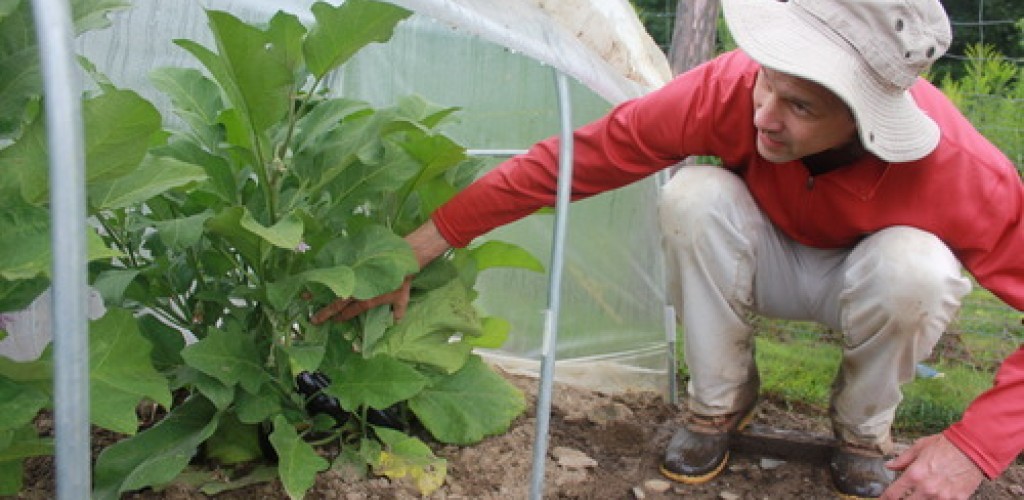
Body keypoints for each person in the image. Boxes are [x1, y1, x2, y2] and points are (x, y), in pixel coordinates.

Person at [313, 0, 1024, 498]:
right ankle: (719, 405)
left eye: (801, 106)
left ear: (866, 118)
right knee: (694, 196)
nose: (764, 116)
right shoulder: (731, 89)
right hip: (761, 260)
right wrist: (421, 245)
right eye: (767, 83)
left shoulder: (961, 172)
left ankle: (862, 433)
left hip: (869, 281)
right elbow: (574, 161)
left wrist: (975, 448)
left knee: (917, 267)